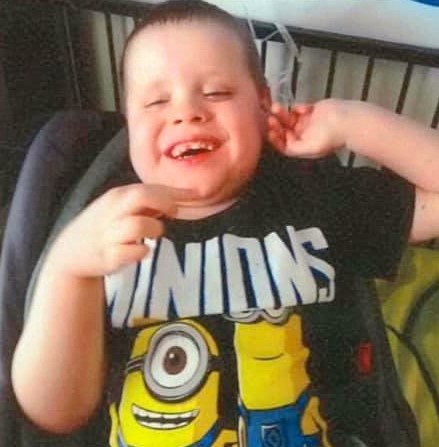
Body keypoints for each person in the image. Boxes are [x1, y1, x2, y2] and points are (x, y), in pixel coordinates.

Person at [10, 0, 439, 446]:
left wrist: (354, 123)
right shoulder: (101, 231)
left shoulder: (314, 192)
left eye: (216, 92)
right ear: (129, 124)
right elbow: (55, 414)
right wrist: (67, 269)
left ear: (262, 105)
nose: (187, 112)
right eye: (156, 101)